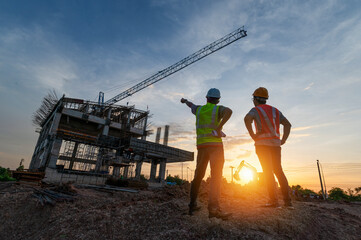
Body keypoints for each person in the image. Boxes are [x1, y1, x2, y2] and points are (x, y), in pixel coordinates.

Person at [181, 88, 233, 219]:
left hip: (202, 146)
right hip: (215, 146)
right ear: (218, 100)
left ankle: (192, 206)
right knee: (216, 177)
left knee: (198, 176)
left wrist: (185, 101)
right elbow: (229, 111)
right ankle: (214, 210)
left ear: (207, 98)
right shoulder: (217, 109)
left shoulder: (199, 110)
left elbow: (191, 105)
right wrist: (219, 127)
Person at [244, 87, 293, 209]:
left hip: (262, 144)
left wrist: (253, 135)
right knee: (278, 171)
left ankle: (273, 202)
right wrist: (283, 140)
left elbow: (247, 119)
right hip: (276, 145)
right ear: (265, 99)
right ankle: (288, 203)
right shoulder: (275, 111)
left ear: (255, 99)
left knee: (268, 171)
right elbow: (288, 124)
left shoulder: (255, 110)